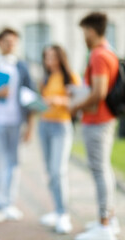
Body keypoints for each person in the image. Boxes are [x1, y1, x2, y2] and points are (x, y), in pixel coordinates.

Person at [71, 12, 121, 240]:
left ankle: (104, 226)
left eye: (83, 32)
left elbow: (99, 92)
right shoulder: (108, 51)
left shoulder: (99, 55)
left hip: (98, 120)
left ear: (91, 30)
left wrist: (76, 106)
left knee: (100, 171)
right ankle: (108, 219)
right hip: (103, 119)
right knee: (104, 169)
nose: (82, 37)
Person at [0, 28, 35, 224]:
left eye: (13, 41)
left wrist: (30, 126)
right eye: (6, 41)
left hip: (16, 121)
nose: (10, 44)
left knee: (13, 164)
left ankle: (9, 203)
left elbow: (31, 94)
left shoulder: (21, 66)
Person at [38, 45, 81, 234]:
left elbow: (78, 103)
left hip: (61, 126)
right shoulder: (45, 77)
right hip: (44, 125)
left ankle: (63, 215)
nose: (50, 60)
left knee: (58, 171)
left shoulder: (70, 76)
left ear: (61, 58)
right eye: (47, 57)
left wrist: (60, 101)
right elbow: (42, 101)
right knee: (50, 171)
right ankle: (56, 210)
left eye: (53, 57)